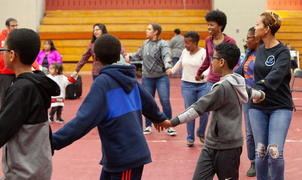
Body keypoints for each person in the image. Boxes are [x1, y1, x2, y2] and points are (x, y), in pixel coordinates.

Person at [52, 34, 168, 180]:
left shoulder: (103, 83)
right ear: (118, 54)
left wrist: (53, 141)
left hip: (126, 158)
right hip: (117, 156)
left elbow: (83, 120)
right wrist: (159, 118)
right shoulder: (128, 77)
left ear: (95, 57)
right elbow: (148, 101)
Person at [159, 43, 265, 180]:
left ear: (221, 62)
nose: (210, 62)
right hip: (211, 145)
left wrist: (172, 122)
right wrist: (262, 95)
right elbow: (253, 93)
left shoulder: (222, 87)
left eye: (212, 58)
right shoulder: (239, 81)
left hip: (228, 148)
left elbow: (197, 108)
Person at [0, 28, 60, 180]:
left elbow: (3, 128)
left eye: (3, 50)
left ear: (12, 55)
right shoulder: (38, 82)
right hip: (38, 165)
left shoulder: (22, 88)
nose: (2, 53)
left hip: (24, 172)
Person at [249, 11, 293, 180]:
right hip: (257, 108)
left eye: (258, 24)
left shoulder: (282, 52)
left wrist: (258, 89)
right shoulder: (258, 49)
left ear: (266, 29)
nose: (255, 27)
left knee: (274, 152)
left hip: (280, 107)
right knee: (260, 152)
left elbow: (275, 75)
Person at [129, 23, 176, 136]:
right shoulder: (145, 43)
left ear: (155, 32)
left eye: (149, 29)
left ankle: (169, 125)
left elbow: (167, 56)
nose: (146, 30)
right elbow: (138, 55)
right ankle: (148, 126)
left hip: (161, 77)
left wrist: (168, 67)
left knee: (165, 101)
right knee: (147, 102)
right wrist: (128, 56)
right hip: (147, 78)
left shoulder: (163, 44)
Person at [166, 31, 208, 147]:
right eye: (185, 42)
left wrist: (204, 75)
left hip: (202, 85)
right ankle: (190, 137)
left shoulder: (204, 53)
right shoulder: (184, 52)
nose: (185, 45)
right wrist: (172, 70)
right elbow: (179, 62)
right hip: (187, 85)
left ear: (195, 43)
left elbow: (208, 67)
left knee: (204, 111)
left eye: (188, 43)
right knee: (189, 111)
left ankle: (201, 133)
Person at [234, 27, 260, 177]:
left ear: (256, 39)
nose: (246, 40)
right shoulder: (249, 54)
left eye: (248, 37)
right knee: (250, 133)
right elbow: (240, 71)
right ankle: (253, 162)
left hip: (262, 97)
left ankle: (265, 160)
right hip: (248, 97)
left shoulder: (265, 54)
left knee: (261, 132)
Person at [195, 10, 236, 89]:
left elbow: (235, 63)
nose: (209, 27)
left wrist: (232, 78)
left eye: (212, 25)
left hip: (226, 81)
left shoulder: (230, 41)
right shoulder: (208, 40)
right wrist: (199, 73)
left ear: (220, 26)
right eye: (208, 25)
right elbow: (207, 60)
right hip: (211, 81)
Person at [0, 18, 18, 109]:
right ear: (7, 26)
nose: (15, 27)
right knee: (3, 96)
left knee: (18, 94)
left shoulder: (18, 37)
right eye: (12, 26)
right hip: (4, 72)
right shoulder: (1, 37)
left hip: (17, 70)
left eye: (16, 25)